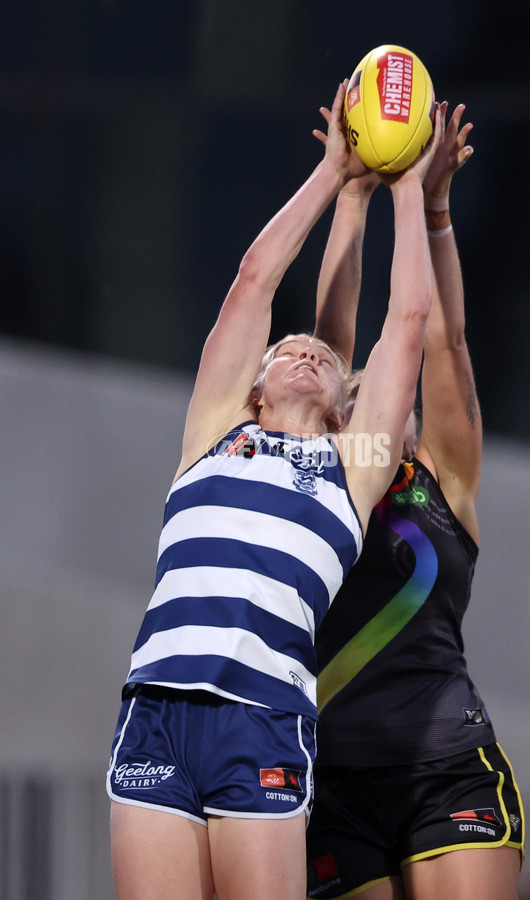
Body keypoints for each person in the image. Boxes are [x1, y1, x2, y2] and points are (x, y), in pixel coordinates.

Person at [105, 82, 441, 900]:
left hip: (260, 715)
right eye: (285, 348)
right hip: (156, 706)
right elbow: (257, 277)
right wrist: (333, 173)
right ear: (252, 387)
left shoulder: (352, 466)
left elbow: (405, 324)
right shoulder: (214, 433)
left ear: (339, 402)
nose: (303, 348)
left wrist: (404, 185)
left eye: (321, 354)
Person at [306, 102, 525, 900]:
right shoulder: (323, 481)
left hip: (448, 770)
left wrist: (433, 209)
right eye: (362, 400)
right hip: (334, 782)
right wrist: (353, 198)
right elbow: (332, 347)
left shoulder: (445, 486)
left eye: (394, 401)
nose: (381, 406)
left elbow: (442, 339)